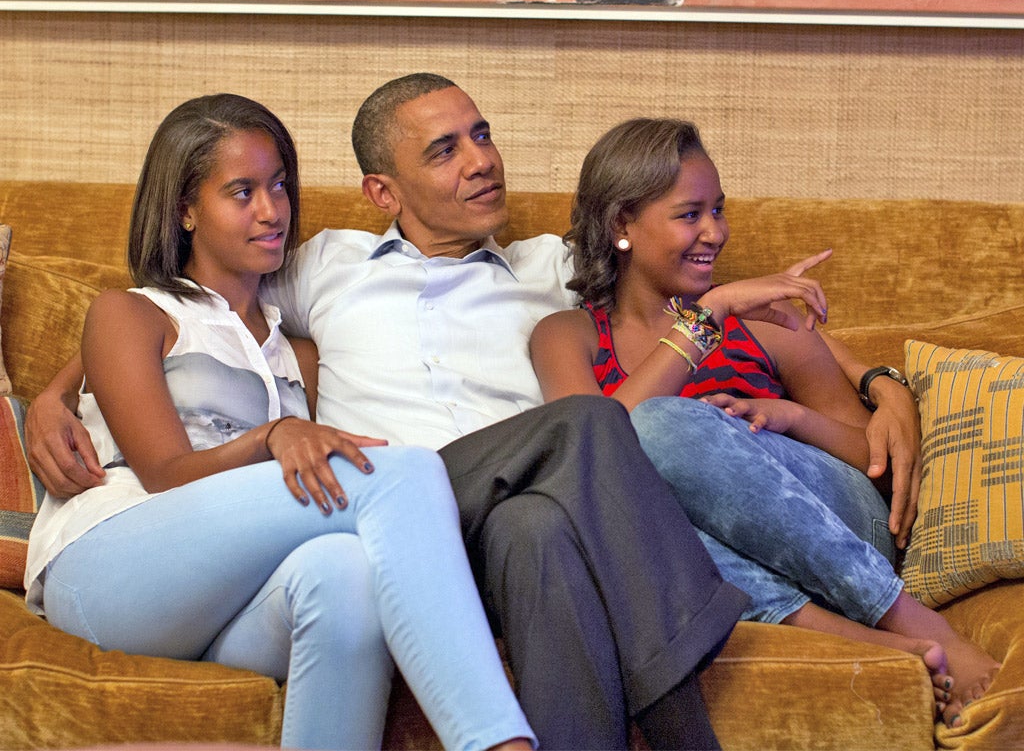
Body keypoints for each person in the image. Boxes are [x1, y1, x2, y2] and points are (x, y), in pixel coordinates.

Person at [26, 74, 920, 749]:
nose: (481, 159)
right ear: (384, 191)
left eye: (480, 135)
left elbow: (695, 285)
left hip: (498, 521)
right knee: (585, 426)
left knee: (542, 524)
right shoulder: (323, 263)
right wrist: (57, 394)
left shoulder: (548, 269)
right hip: (393, 502)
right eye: (444, 150)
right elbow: (179, 310)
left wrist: (880, 380)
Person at [23, 93, 537, 751]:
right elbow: (167, 476)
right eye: (241, 192)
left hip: (223, 597)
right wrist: (56, 394)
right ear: (185, 209)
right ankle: (498, 743)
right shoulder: (134, 312)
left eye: (279, 186)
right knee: (399, 474)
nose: (272, 211)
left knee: (345, 571)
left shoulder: (296, 350)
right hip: (109, 568)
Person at [529, 116, 1002, 727]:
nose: (714, 233)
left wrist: (793, 416)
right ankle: (868, 644)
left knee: (666, 427)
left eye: (718, 210)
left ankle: (909, 616)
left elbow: (870, 462)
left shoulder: (766, 322)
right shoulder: (566, 335)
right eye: (689, 214)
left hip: (839, 530)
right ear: (622, 223)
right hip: (696, 552)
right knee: (614, 509)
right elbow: (594, 454)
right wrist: (707, 315)